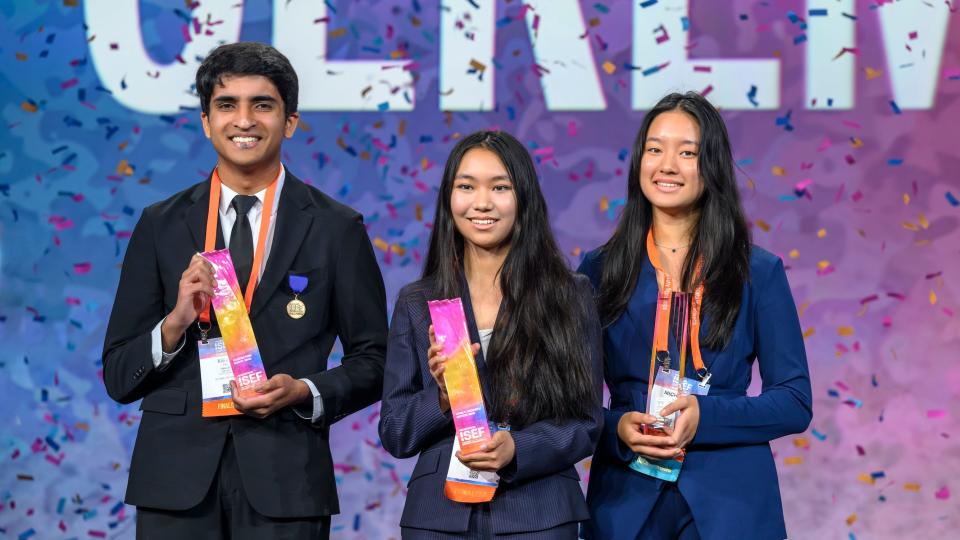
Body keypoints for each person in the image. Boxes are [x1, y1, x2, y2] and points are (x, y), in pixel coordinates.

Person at [101, 41, 387, 539]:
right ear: (207, 121)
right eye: (226, 105)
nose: (244, 120)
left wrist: (306, 390)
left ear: (290, 121)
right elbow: (119, 374)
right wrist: (174, 326)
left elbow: (377, 360)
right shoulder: (161, 225)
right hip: (174, 483)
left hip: (286, 477)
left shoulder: (337, 229)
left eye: (263, 104)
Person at [579, 92, 812, 540]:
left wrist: (707, 416)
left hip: (733, 504)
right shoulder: (598, 271)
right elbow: (573, 403)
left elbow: (794, 402)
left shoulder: (757, 271)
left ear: (712, 166)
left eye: (687, 152)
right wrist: (617, 426)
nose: (667, 165)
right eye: (654, 149)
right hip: (625, 504)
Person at [379, 130, 603, 539]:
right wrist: (443, 399)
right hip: (438, 517)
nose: (482, 202)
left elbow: (585, 424)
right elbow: (396, 431)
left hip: (539, 513)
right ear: (449, 198)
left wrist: (519, 447)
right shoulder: (417, 300)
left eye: (500, 187)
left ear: (524, 199)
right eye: (466, 187)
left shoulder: (569, 295)